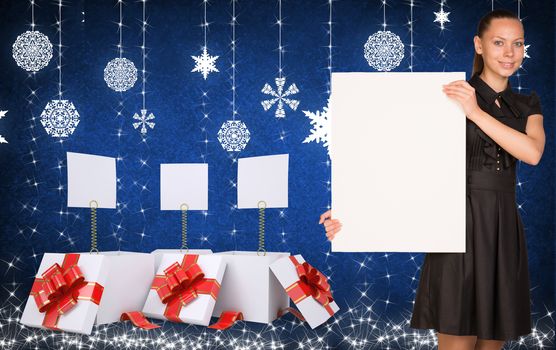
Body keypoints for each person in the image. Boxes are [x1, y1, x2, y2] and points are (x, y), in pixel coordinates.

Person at [319, 8, 545, 350]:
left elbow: (532, 153)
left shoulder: (527, 103)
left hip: (502, 230)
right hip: (453, 225)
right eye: (499, 43)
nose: (509, 53)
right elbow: (403, 161)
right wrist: (353, 211)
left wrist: (475, 113)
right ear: (479, 45)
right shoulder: (448, 95)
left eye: (518, 44)